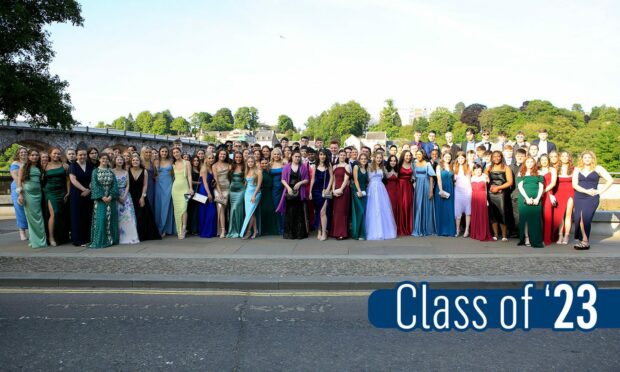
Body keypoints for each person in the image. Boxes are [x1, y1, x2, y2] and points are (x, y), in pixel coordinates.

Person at [572, 151, 613, 250]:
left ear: (592, 159)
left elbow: (610, 180)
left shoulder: (598, 168)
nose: (587, 159)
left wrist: (600, 191)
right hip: (579, 197)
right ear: (582, 159)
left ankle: (585, 242)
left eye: (589, 157)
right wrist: (586, 191)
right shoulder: (577, 169)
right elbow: (574, 185)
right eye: (585, 157)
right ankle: (583, 240)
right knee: (579, 219)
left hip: (592, 198)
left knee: (585, 218)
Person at [16, 150, 48, 248]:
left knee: (39, 216)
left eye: (36, 155)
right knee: (32, 218)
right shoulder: (24, 167)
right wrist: (20, 195)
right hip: (28, 194)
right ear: (29, 156)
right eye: (32, 155)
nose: (34, 157)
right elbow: (19, 181)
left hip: (38, 194)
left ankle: (39, 240)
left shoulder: (40, 167)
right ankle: (36, 241)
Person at [276, 150, 309, 239]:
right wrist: (288, 188)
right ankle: (289, 234)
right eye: (296, 156)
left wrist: (300, 183)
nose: (297, 158)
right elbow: (283, 179)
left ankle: (299, 234)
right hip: (289, 192)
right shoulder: (286, 167)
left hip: (299, 192)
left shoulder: (303, 167)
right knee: (289, 213)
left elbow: (307, 179)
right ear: (292, 157)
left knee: (299, 213)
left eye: (299, 157)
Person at [128, 153, 161, 242]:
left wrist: (142, 197)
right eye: (133, 160)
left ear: (140, 162)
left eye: (137, 160)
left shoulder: (144, 171)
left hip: (141, 195)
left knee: (142, 216)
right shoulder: (127, 170)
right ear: (131, 161)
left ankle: (141, 235)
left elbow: (145, 185)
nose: (135, 162)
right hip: (130, 196)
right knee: (131, 216)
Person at [365, 152, 397, 240]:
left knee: (382, 208)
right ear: (374, 158)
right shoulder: (369, 167)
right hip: (372, 188)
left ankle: (384, 231)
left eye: (380, 158)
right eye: (377, 157)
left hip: (381, 189)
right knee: (373, 209)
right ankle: (374, 230)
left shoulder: (383, 168)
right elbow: (367, 179)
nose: (379, 159)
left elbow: (389, 175)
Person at [89, 154, 119, 248]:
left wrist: (111, 195)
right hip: (100, 200)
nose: (105, 160)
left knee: (111, 218)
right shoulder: (95, 171)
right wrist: (102, 197)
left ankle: (111, 240)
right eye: (103, 158)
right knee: (101, 218)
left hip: (111, 199)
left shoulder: (111, 171)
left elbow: (115, 184)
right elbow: (95, 185)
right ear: (99, 159)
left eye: (106, 159)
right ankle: (100, 240)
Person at [43, 148, 70, 246]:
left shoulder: (65, 166)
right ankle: (51, 237)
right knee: (54, 213)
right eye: (54, 153)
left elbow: (68, 180)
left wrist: (68, 192)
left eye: (58, 154)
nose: (56, 155)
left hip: (61, 192)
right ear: (50, 154)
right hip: (50, 192)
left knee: (61, 214)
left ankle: (62, 237)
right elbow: (41, 179)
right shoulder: (45, 166)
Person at [517, 157, 544, 248]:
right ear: (524, 163)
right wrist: (527, 198)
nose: (529, 163)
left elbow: (541, 187)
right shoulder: (521, 173)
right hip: (524, 198)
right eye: (527, 162)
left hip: (537, 198)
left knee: (536, 219)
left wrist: (537, 198)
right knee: (525, 219)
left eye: (531, 161)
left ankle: (536, 239)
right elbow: (520, 187)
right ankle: (526, 238)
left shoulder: (539, 173)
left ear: (534, 163)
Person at [486, 151, 513, 241]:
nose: (496, 158)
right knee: (493, 214)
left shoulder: (506, 167)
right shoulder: (488, 168)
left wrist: (499, 187)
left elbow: (510, 182)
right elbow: (484, 180)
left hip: (502, 194)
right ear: (491, 158)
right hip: (491, 193)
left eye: (498, 156)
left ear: (501, 157)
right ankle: (495, 235)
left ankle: (504, 235)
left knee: (502, 213)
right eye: (494, 156)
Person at [69, 148, 94, 246]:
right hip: (77, 194)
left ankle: (87, 239)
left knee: (87, 216)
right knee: (77, 216)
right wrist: (84, 189)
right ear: (76, 155)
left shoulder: (90, 166)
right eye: (80, 155)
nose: (82, 156)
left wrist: (89, 189)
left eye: (84, 155)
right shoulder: (73, 166)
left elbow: (93, 178)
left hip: (89, 193)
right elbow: (73, 180)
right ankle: (78, 240)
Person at [112, 155, 140, 244]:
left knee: (128, 217)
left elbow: (128, 185)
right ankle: (117, 237)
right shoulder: (111, 172)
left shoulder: (126, 172)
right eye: (118, 159)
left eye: (121, 159)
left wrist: (124, 196)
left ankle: (130, 237)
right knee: (117, 216)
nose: (120, 161)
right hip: (115, 195)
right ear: (114, 161)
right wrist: (117, 196)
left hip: (125, 195)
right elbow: (111, 185)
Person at [309, 149, 333, 240]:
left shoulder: (329, 165)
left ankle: (324, 232)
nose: (322, 156)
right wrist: (310, 191)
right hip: (316, 191)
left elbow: (331, 178)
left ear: (326, 156)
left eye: (324, 155)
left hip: (325, 192)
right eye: (321, 154)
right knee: (318, 211)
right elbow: (312, 179)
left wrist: (328, 188)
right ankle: (319, 230)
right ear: (318, 156)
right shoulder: (315, 166)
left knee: (323, 212)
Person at [412, 150, 435, 237]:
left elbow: (431, 177)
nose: (418, 156)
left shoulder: (428, 164)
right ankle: (418, 228)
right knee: (418, 206)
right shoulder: (414, 164)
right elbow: (413, 176)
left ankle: (426, 228)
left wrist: (431, 191)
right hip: (418, 187)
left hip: (426, 185)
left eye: (420, 154)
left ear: (423, 155)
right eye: (417, 154)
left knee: (426, 206)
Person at [554, 152, 575, 245]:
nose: (565, 158)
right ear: (560, 158)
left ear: (569, 157)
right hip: (558, 193)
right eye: (562, 156)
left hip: (570, 193)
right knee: (560, 215)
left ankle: (566, 235)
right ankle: (560, 235)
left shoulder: (574, 169)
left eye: (567, 156)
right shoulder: (556, 169)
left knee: (568, 215)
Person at [330, 150, 351, 240]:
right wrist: (333, 190)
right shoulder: (334, 166)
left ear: (346, 156)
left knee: (342, 212)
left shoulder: (347, 166)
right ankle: (335, 232)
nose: (342, 156)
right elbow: (333, 179)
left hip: (343, 190)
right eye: (341, 155)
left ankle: (342, 233)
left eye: (344, 155)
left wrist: (340, 189)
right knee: (336, 212)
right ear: (338, 155)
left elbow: (346, 180)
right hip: (335, 190)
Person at [155, 146, 176, 237]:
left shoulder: (171, 161)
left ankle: (166, 228)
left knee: (167, 206)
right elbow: (154, 174)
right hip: (159, 185)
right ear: (159, 152)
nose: (164, 153)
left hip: (169, 185)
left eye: (166, 151)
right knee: (159, 206)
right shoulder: (156, 161)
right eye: (162, 151)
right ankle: (159, 228)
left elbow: (174, 174)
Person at [240, 156, 262, 239]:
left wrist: (254, 195)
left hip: (255, 194)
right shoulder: (247, 171)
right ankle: (255, 231)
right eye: (248, 162)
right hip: (247, 194)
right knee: (251, 213)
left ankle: (248, 231)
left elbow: (259, 185)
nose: (250, 163)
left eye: (252, 162)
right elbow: (246, 183)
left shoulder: (259, 172)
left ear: (254, 162)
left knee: (250, 213)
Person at [469, 164, 493, 241]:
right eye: (476, 170)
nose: (478, 171)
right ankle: (475, 233)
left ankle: (483, 232)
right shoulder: (471, 178)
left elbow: (486, 189)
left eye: (479, 170)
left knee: (482, 215)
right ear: (473, 171)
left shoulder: (484, 177)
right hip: (474, 197)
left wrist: (486, 200)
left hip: (482, 197)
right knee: (475, 214)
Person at [196, 152, 217, 238]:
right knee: (205, 211)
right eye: (209, 158)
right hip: (204, 191)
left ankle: (210, 231)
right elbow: (204, 182)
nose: (211, 159)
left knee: (208, 211)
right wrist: (208, 193)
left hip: (210, 190)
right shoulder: (204, 168)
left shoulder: (212, 167)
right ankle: (204, 231)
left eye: (212, 158)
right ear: (205, 159)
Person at [435, 152, 456, 237]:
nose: (448, 158)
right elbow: (439, 179)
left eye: (449, 157)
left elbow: (454, 179)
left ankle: (450, 230)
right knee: (442, 209)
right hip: (441, 188)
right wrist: (441, 191)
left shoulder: (452, 166)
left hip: (450, 189)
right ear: (442, 157)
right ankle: (442, 230)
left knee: (450, 209)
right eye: (446, 156)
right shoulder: (439, 166)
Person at [10, 147, 28, 240]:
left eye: (25, 152)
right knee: (20, 210)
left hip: (29, 187)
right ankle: (22, 232)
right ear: (18, 154)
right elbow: (16, 177)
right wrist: (21, 188)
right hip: (17, 187)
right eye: (21, 152)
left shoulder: (29, 163)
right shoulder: (15, 164)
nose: (23, 154)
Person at [539, 154, 558, 245]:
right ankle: (538, 237)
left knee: (548, 216)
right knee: (538, 217)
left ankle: (547, 238)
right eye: (542, 160)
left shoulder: (552, 170)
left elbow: (553, 183)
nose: (544, 161)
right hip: (538, 194)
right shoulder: (537, 170)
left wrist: (544, 191)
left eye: (545, 159)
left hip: (548, 193)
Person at [226, 152, 245, 238]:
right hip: (232, 190)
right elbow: (227, 178)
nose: (238, 158)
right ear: (234, 158)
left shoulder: (244, 167)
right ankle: (232, 230)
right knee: (233, 209)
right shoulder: (231, 166)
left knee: (236, 208)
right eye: (236, 157)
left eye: (240, 157)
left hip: (241, 190)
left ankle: (238, 230)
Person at [258, 158, 279, 236]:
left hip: (270, 192)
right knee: (264, 210)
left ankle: (271, 229)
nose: (264, 165)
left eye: (265, 163)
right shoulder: (260, 172)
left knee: (271, 210)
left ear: (268, 164)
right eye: (262, 163)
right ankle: (264, 230)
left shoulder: (269, 172)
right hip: (263, 192)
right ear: (260, 164)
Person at [213, 149, 231, 238]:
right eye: (221, 154)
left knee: (224, 209)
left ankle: (224, 229)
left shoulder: (229, 165)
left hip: (227, 188)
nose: (222, 156)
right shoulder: (214, 165)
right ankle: (222, 230)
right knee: (220, 209)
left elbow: (231, 177)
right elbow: (215, 180)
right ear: (218, 154)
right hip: (218, 189)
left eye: (224, 154)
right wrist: (219, 192)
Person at [350, 153, 369, 240]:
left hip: (364, 191)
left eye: (365, 159)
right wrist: (359, 190)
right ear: (359, 159)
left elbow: (367, 181)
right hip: (357, 191)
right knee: (360, 211)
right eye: (362, 159)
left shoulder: (366, 168)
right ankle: (356, 233)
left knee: (362, 212)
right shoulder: (356, 167)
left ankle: (361, 233)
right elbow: (356, 180)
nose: (363, 160)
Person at [453, 152, 471, 237]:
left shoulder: (468, 167)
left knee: (468, 211)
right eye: (459, 158)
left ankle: (467, 230)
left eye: (462, 158)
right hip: (458, 191)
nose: (460, 160)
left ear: (465, 159)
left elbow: (473, 178)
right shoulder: (454, 167)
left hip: (467, 190)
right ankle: (457, 229)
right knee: (458, 211)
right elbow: (453, 180)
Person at [396, 151, 414, 236]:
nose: (408, 157)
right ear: (403, 156)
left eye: (409, 156)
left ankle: (408, 227)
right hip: (400, 187)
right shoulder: (398, 165)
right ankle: (401, 227)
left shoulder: (412, 165)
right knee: (402, 206)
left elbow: (414, 176)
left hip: (409, 187)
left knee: (408, 206)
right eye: (406, 155)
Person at [270, 148, 285, 234]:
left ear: (280, 155)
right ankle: (278, 227)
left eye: (278, 154)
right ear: (272, 155)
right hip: (274, 189)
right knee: (276, 208)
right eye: (275, 154)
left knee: (283, 207)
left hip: (283, 188)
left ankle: (283, 227)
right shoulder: (269, 164)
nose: (276, 156)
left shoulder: (284, 164)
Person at [186, 156, 202, 235]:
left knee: (196, 210)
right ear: (192, 161)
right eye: (194, 160)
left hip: (198, 192)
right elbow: (188, 180)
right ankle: (190, 229)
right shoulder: (190, 169)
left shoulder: (199, 169)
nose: (196, 162)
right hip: (190, 191)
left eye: (197, 160)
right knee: (189, 209)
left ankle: (194, 229)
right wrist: (198, 183)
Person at [385, 155, 400, 222]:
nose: (393, 162)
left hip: (397, 191)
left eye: (394, 161)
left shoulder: (398, 170)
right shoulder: (385, 169)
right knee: (389, 207)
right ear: (389, 161)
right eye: (391, 161)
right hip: (388, 191)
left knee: (396, 207)